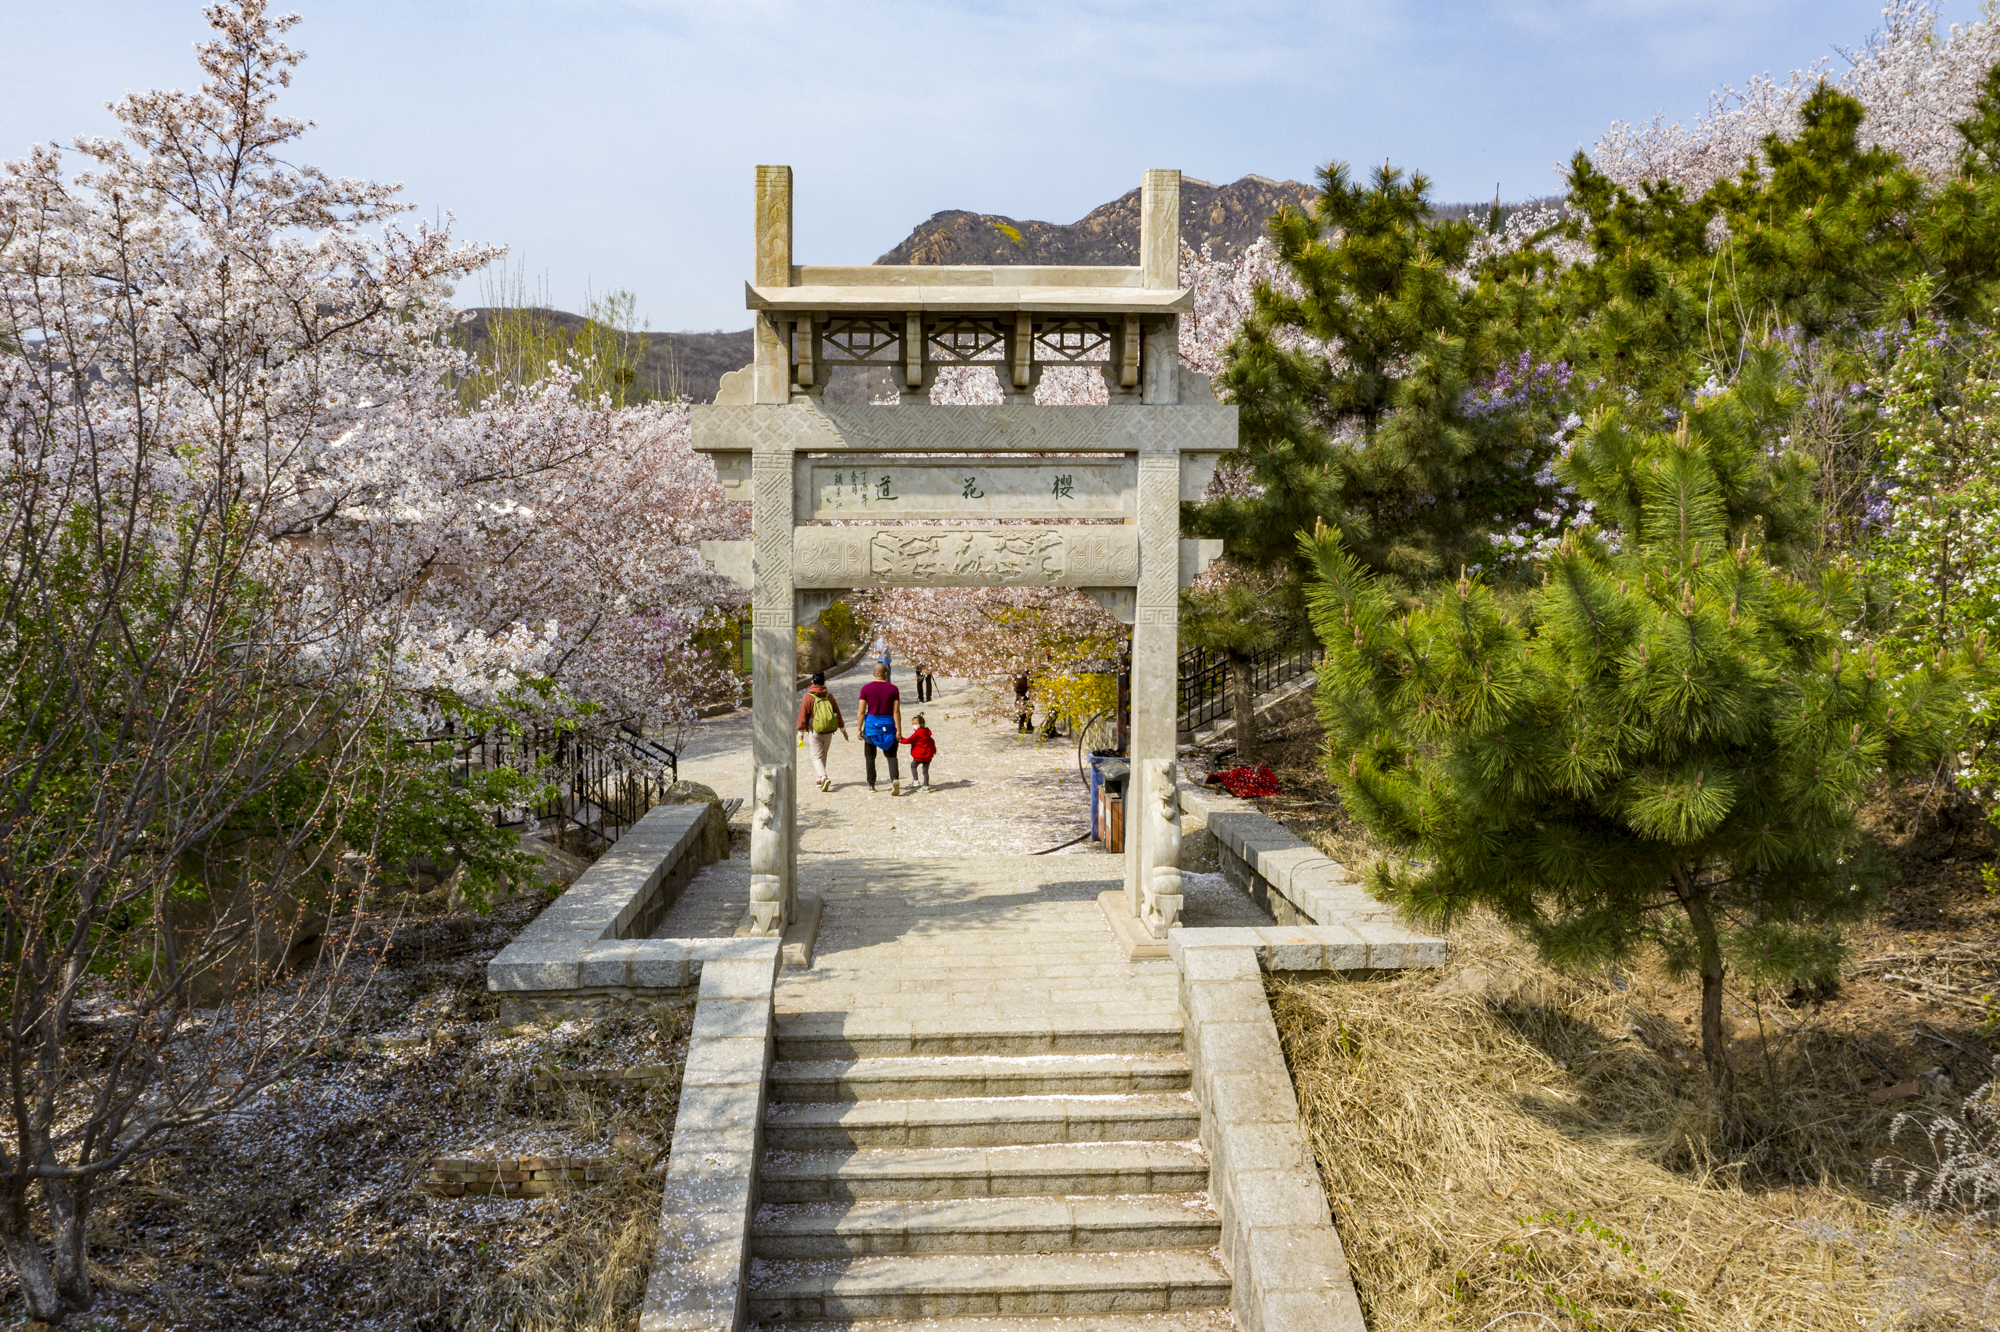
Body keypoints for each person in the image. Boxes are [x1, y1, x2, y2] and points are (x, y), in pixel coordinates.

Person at [795, 670, 847, 791]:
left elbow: (803, 716)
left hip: (815, 731)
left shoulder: (808, 697)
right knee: (823, 754)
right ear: (823, 682)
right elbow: (837, 713)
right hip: (829, 731)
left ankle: (823, 777)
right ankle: (820, 779)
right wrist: (843, 729)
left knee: (816, 756)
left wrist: (800, 733)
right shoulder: (829, 696)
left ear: (812, 681)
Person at [857, 662, 904, 795]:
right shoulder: (894, 689)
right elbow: (896, 711)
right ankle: (894, 778)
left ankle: (871, 785)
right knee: (891, 756)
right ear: (886, 673)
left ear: (873, 674)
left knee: (870, 757)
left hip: (871, 726)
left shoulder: (865, 689)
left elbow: (861, 711)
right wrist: (899, 730)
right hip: (888, 725)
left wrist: (859, 728)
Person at [904, 713, 937, 791]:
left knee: (913, 766)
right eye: (913, 724)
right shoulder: (926, 732)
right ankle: (926, 786)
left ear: (921, 724)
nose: (914, 725)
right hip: (928, 756)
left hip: (919, 756)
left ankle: (916, 780)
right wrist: (933, 751)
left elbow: (909, 740)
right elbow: (932, 742)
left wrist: (900, 739)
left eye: (915, 724)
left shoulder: (918, 733)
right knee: (925, 771)